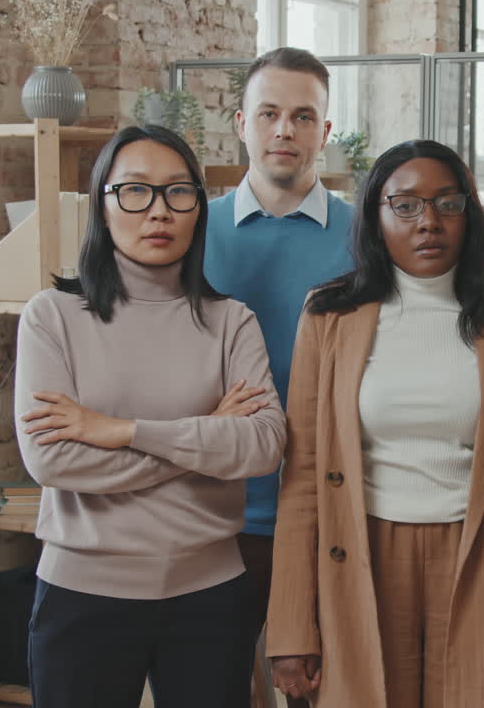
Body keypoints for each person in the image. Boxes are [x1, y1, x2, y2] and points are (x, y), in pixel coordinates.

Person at [266, 140, 484, 707]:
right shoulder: (328, 316)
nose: (427, 221)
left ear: (469, 215)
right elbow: (303, 475)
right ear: (375, 219)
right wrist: (291, 624)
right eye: (404, 205)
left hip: (481, 556)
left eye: (446, 204)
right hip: (361, 558)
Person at [16, 125, 287, 708]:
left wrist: (120, 431)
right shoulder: (52, 316)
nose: (158, 212)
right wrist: (206, 438)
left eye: (178, 193)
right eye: (135, 191)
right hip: (82, 593)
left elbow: (264, 445)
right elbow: (52, 459)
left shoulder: (230, 322)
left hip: (210, 595)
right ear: (103, 204)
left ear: (198, 208)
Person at [204, 46, 354, 697]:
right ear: (241, 122)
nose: (284, 130)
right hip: (215, 515)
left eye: (302, 116)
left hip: (329, 515)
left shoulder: (366, 238)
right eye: (269, 113)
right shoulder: (187, 231)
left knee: (320, 694)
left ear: (326, 131)